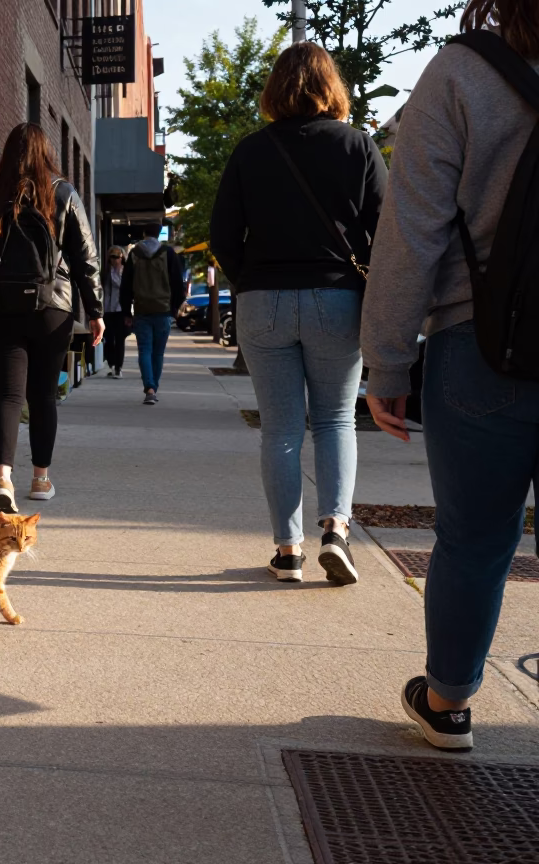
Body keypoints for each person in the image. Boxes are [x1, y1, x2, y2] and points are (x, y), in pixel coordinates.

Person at [362, 0, 539, 751]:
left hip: (483, 342)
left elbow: (413, 227)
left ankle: (448, 701)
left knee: (475, 537)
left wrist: (388, 360)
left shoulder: (463, 72)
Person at [210, 42, 387, 584]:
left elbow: (222, 235)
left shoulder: (250, 151)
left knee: (280, 430)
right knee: (335, 420)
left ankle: (288, 551)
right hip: (337, 299)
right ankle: (335, 527)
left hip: (264, 299)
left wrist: (250, 282)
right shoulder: (359, 146)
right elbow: (388, 230)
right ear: (332, 86)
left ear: (274, 90)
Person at [0, 123, 104, 515]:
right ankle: (40, 479)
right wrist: (95, 311)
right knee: (42, 396)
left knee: (5, 396)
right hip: (52, 310)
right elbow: (85, 258)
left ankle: (2, 478)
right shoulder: (62, 193)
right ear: (45, 152)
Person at [119, 224, 186, 404]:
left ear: (143, 234)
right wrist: (174, 309)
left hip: (141, 309)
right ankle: (153, 388)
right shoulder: (168, 253)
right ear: (159, 234)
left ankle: (149, 387)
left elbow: (125, 286)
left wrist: (126, 311)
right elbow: (178, 284)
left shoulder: (134, 254)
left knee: (144, 350)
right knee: (158, 353)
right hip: (163, 310)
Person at [102, 246, 128, 378]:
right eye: (112, 257)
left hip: (120, 309)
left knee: (119, 340)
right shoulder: (105, 271)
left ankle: (118, 367)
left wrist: (116, 273)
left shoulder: (124, 272)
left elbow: (123, 287)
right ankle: (111, 364)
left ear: (122, 258)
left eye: (117, 257)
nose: (114, 260)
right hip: (107, 309)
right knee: (108, 339)